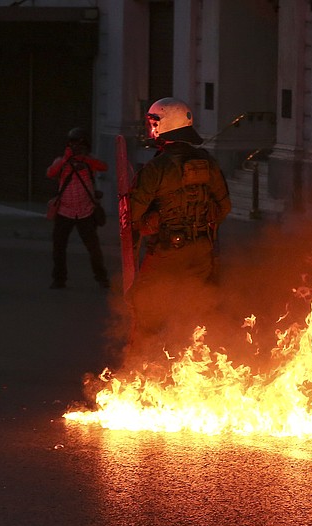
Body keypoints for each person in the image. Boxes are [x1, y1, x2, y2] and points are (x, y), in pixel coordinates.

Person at [127, 97, 231, 356]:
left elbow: (134, 215)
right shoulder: (208, 161)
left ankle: (141, 369)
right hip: (202, 251)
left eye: (153, 122)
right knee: (198, 312)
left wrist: (153, 221)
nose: (150, 128)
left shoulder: (156, 168)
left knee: (146, 308)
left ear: (163, 125)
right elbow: (224, 206)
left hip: (166, 252)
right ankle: (198, 368)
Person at [46, 127, 110, 289]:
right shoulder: (62, 161)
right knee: (58, 247)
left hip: (85, 212)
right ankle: (59, 279)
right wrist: (66, 159)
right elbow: (51, 173)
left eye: (79, 144)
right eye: (73, 144)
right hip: (64, 211)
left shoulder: (90, 161)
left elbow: (104, 167)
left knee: (93, 248)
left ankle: (101, 277)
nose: (76, 147)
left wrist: (85, 159)